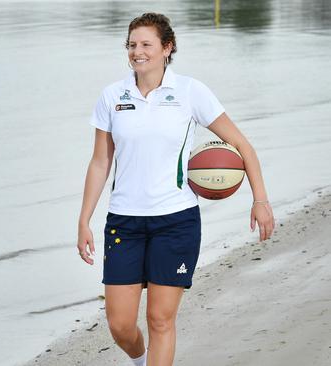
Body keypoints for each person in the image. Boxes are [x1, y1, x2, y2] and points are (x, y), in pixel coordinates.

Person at [76, 13, 275, 366]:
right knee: (120, 324)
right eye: (132, 45)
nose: (138, 51)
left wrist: (259, 199)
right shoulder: (112, 96)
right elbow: (100, 163)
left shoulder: (190, 92)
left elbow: (243, 146)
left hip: (176, 221)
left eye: (146, 44)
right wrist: (84, 220)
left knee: (160, 320)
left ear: (167, 48)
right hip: (124, 222)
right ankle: (139, 360)